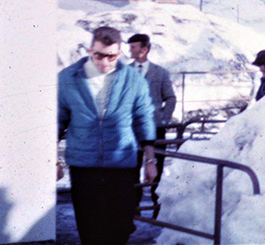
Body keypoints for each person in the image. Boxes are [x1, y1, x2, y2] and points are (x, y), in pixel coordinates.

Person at [58, 26, 156, 245]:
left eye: (111, 56)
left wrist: (150, 159)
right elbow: (56, 120)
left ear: (119, 53)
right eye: (99, 55)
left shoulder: (133, 80)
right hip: (84, 167)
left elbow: (144, 119)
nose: (104, 62)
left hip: (121, 165)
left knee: (120, 228)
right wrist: (53, 160)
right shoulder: (68, 78)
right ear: (90, 49)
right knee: (90, 228)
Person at [128, 33, 176, 215]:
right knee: (132, 168)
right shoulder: (125, 72)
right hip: (131, 129)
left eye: (134, 47)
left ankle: (157, 208)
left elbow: (170, 98)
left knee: (157, 167)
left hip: (155, 128)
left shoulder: (160, 73)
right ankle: (133, 208)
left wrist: (163, 119)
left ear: (144, 49)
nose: (130, 50)